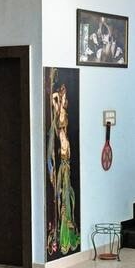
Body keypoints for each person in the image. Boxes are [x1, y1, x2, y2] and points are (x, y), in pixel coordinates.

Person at [50, 82, 79, 255]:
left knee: (66, 198)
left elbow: (58, 105)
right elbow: (56, 103)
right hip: (63, 169)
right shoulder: (62, 131)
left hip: (64, 170)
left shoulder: (64, 137)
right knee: (63, 197)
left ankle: (67, 231)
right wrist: (56, 98)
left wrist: (57, 99)